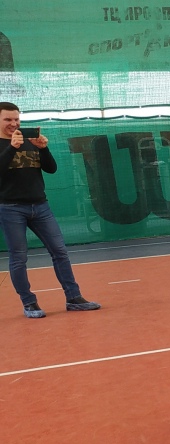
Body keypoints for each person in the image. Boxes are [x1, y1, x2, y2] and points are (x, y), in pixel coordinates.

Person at [0, 102, 101, 319]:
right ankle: (29, 303)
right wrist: (11, 148)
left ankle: (74, 298)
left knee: (60, 251)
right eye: (8, 119)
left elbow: (51, 168)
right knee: (19, 257)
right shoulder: (9, 145)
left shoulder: (29, 141)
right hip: (10, 208)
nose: (14, 123)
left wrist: (43, 148)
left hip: (40, 206)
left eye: (16, 119)